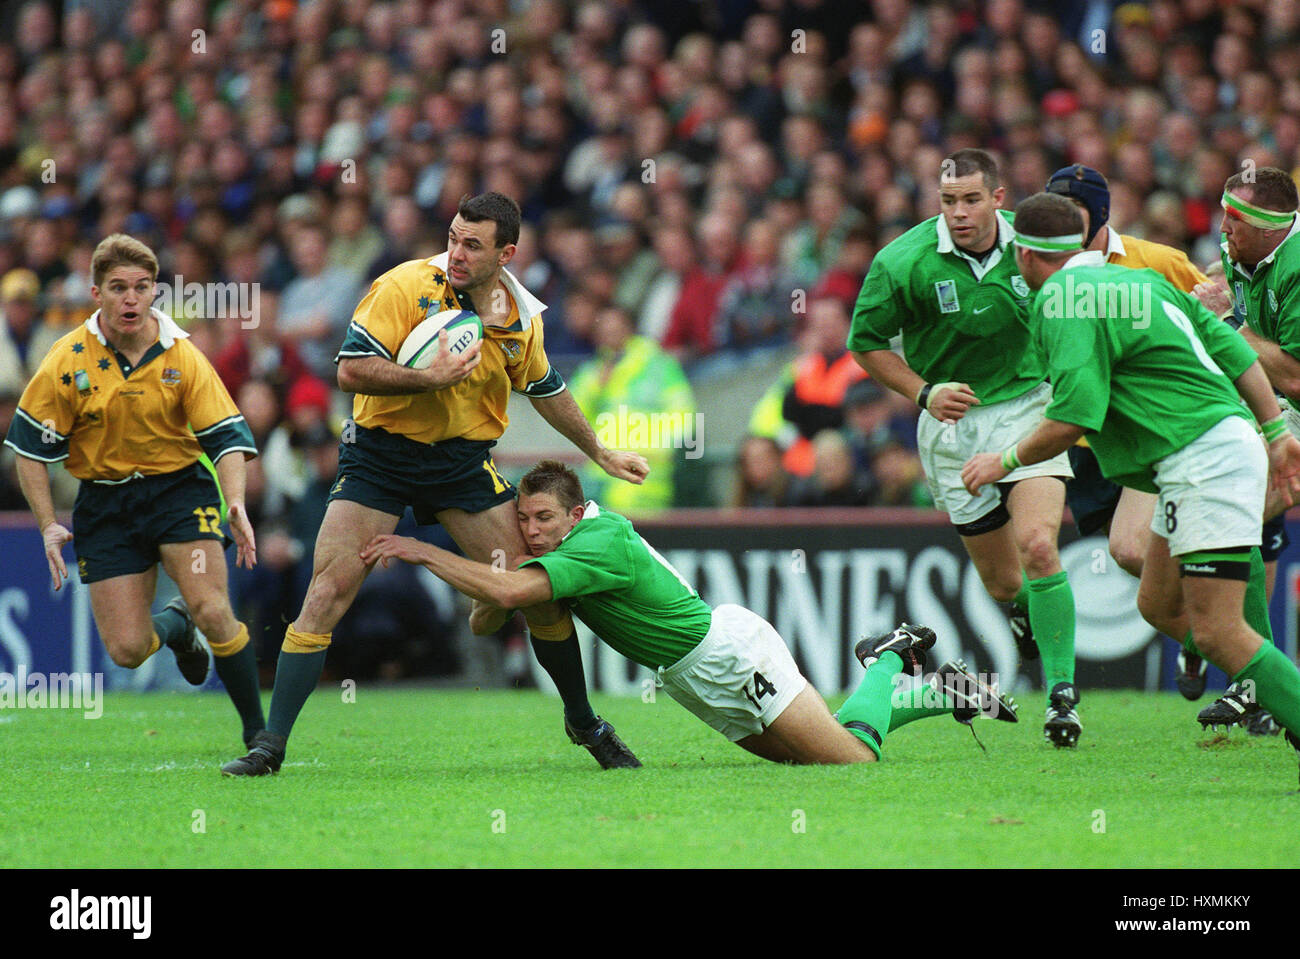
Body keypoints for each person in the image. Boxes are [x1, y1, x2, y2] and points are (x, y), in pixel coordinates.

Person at [221, 193, 650, 776]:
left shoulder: (520, 317)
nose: (456, 253)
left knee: (532, 589)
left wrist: (598, 449)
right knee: (326, 593)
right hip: (381, 457)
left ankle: (583, 721)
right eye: (452, 237)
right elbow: (349, 368)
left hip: (461, 465)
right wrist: (427, 378)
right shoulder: (403, 286)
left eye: (472, 245)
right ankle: (270, 747)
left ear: (507, 253)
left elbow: (545, 387)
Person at [359, 460, 1018, 767]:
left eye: (542, 519)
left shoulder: (597, 542)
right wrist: (492, 573)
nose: (531, 531)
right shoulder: (568, 544)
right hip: (691, 678)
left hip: (729, 655)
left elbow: (504, 600)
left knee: (851, 763)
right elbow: (489, 615)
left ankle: (887, 657)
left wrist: (422, 548)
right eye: (524, 520)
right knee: (807, 757)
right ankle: (943, 690)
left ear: (574, 510)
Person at [961, 192, 1300, 784]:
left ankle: (1280, 701)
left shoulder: (1061, 300)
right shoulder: (1141, 282)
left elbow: (1073, 418)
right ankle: (1268, 686)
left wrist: (1004, 460)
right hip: (1207, 450)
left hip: (1202, 458)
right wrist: (1273, 428)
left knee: (1220, 631)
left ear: (1025, 254)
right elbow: (1229, 346)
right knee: (1157, 603)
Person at [848, 148, 1081, 746]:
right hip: (951, 427)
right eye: (948, 201)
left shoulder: (1034, 247)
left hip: (1031, 408)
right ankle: (1030, 616)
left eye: (972, 199)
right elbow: (866, 343)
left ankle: (1062, 697)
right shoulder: (902, 262)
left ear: (999, 199)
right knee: (1005, 585)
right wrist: (924, 393)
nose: (959, 212)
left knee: (1038, 545)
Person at [2, 233, 266, 748]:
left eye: (142, 288)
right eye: (118, 288)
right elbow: (28, 449)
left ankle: (259, 733)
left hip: (178, 492)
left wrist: (233, 499)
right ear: (96, 293)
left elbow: (228, 438)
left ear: (154, 293)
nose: (131, 299)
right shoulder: (67, 358)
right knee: (127, 649)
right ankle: (174, 629)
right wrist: (47, 525)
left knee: (213, 608)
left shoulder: (181, 354)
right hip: (105, 502)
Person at [1042, 165, 1282, 713]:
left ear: (1097, 216)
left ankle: (1253, 678)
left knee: (1152, 547)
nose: (1059, 225)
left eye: (1072, 214)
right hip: (1097, 449)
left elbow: (1218, 335)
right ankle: (1226, 651)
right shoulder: (1042, 277)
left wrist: (1266, 421)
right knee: (1140, 567)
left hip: (1174, 435)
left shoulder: (1158, 264)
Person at [1190, 167, 1300, 732]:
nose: (1223, 224)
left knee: (1236, 517)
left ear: (1272, 228)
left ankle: (1259, 681)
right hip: (1268, 411)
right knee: (1232, 518)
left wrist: (1229, 321)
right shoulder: (1241, 255)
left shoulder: (1299, 266)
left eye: (1236, 218)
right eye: (1224, 211)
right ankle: (1254, 677)